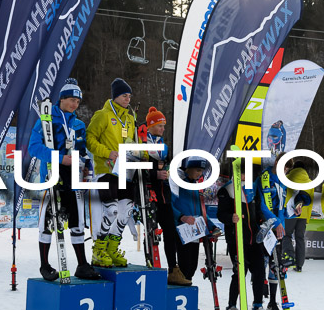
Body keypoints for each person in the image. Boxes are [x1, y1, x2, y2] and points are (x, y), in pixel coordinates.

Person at [28, 78, 100, 281]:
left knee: (77, 220)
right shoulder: (46, 120)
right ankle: (44, 265)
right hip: (51, 175)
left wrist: (87, 167)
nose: (75, 104)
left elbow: (83, 150)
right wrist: (60, 158)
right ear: (61, 99)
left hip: (73, 177)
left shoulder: (78, 124)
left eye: (78, 101)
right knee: (48, 221)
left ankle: (82, 265)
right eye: (71, 100)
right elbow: (33, 147)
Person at [86, 78, 137, 267]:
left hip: (126, 172)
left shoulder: (130, 119)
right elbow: (89, 140)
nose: (128, 99)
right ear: (115, 96)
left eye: (129, 96)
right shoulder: (103, 115)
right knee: (112, 210)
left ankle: (112, 249)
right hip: (106, 170)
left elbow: (132, 143)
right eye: (124, 95)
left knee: (125, 212)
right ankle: (98, 249)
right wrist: (108, 153)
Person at [217, 171, 275, 310]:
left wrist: (264, 222)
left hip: (254, 239)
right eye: (243, 173)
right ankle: (231, 308)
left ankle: (257, 307)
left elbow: (257, 212)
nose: (245, 176)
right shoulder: (226, 190)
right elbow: (221, 214)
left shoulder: (252, 189)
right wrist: (231, 218)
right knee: (239, 273)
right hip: (236, 239)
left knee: (260, 272)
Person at [141, 106, 189, 286]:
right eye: (159, 126)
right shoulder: (142, 142)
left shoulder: (164, 145)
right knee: (151, 233)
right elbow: (136, 168)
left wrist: (168, 173)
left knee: (170, 232)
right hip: (148, 193)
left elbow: (165, 166)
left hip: (164, 195)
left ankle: (173, 269)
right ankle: (150, 265)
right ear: (150, 125)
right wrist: (154, 175)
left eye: (163, 126)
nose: (162, 129)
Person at [170, 157, 222, 283]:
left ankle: (186, 292)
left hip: (194, 231)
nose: (199, 174)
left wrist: (212, 226)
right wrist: (181, 216)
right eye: (197, 170)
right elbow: (170, 204)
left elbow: (202, 211)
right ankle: (178, 291)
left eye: (201, 171)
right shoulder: (178, 183)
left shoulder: (197, 188)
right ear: (189, 169)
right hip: (181, 230)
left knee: (191, 267)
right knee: (184, 265)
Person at [254, 154, 289, 310]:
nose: (286, 170)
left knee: (276, 266)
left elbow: (281, 207)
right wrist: (275, 222)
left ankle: (272, 302)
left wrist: (281, 224)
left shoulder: (283, 181)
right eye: (284, 166)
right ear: (277, 163)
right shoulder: (265, 177)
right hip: (264, 225)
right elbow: (262, 205)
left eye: (288, 168)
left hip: (276, 228)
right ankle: (258, 301)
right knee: (262, 264)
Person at [281, 161, 314, 272]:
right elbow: (310, 202)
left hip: (290, 213)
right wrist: (307, 218)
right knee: (300, 238)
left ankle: (289, 257)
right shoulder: (310, 182)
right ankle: (299, 265)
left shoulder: (288, 178)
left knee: (287, 235)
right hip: (303, 215)